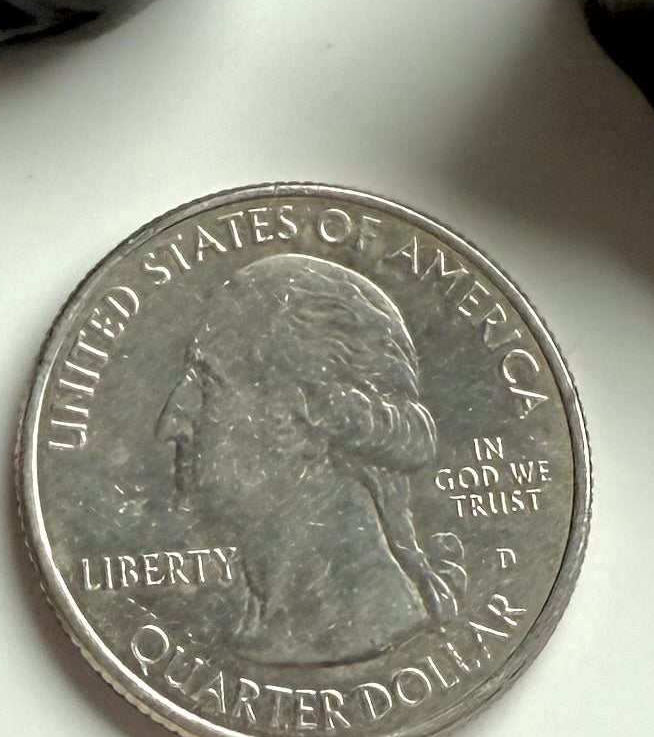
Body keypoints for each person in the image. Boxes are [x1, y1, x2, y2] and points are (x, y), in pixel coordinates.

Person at [152, 253, 465, 666]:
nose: (171, 422)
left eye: (207, 382)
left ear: (308, 413)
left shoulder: (355, 625)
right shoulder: (272, 623)